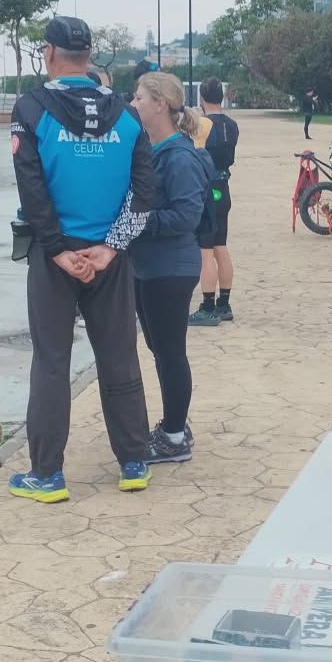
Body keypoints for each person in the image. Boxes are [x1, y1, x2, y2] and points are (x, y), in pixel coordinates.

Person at [9, 16, 157, 500]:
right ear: (90, 56)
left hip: (55, 258)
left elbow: (32, 189)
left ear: (49, 54)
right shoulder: (128, 115)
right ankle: (134, 462)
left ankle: (47, 475)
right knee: (119, 356)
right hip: (110, 259)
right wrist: (112, 247)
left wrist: (55, 250)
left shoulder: (31, 109)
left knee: (52, 362)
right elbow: (144, 194)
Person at [129, 71, 212, 465]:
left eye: (139, 98)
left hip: (171, 268)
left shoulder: (179, 156)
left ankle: (175, 437)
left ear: (160, 104)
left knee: (171, 353)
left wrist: (136, 221)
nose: (134, 104)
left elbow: (186, 215)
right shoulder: (154, 148)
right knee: (161, 349)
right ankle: (173, 425)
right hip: (148, 267)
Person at [191, 76, 240, 326]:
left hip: (206, 189)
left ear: (201, 98)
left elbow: (195, 154)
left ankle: (207, 305)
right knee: (221, 245)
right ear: (223, 96)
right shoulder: (232, 125)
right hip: (224, 187)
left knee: (205, 251)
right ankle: (224, 303)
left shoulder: (201, 124)